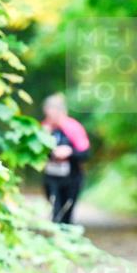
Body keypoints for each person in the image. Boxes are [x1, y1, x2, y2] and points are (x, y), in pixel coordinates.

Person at [42, 93, 90, 224]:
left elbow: (85, 154)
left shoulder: (74, 128)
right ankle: (56, 239)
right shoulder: (44, 128)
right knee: (55, 210)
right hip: (51, 177)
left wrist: (69, 152)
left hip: (72, 177)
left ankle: (66, 238)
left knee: (67, 213)